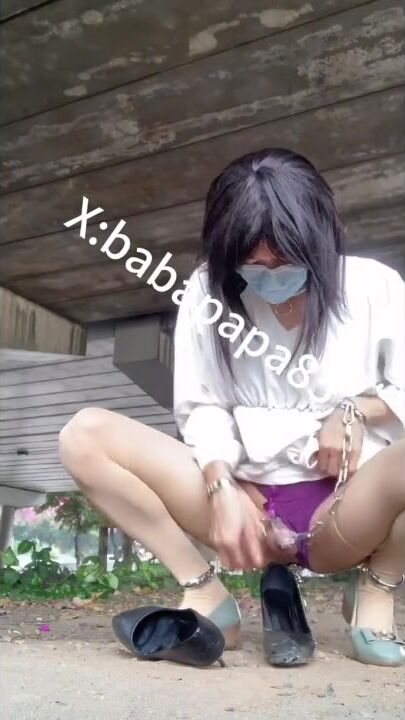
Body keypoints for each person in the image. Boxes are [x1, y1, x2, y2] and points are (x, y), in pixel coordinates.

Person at [59, 148, 405, 666]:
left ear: (320, 240)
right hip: (243, 506)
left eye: (285, 261)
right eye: (253, 265)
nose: (270, 277)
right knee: (83, 436)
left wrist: (354, 410)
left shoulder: (375, 286)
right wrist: (220, 484)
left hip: (343, 507)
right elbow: (202, 407)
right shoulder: (208, 291)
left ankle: (377, 586)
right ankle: (204, 592)